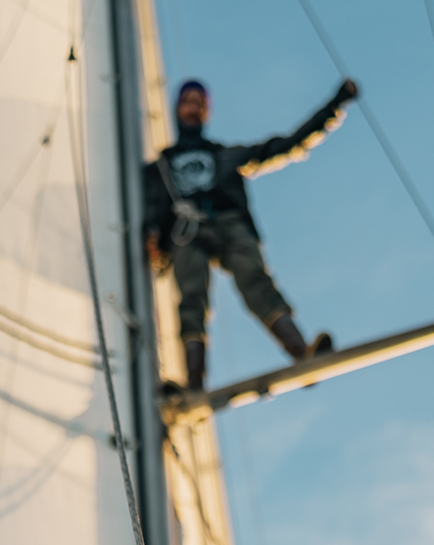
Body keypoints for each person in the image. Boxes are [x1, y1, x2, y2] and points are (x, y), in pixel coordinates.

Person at [145, 78, 359, 391]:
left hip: (229, 222)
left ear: (207, 111)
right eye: (187, 101)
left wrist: (335, 105)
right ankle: (194, 384)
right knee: (191, 298)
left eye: (199, 102)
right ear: (177, 108)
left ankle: (301, 353)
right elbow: (152, 209)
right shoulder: (160, 168)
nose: (193, 107)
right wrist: (152, 237)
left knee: (255, 280)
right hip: (186, 230)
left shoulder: (227, 156)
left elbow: (287, 145)